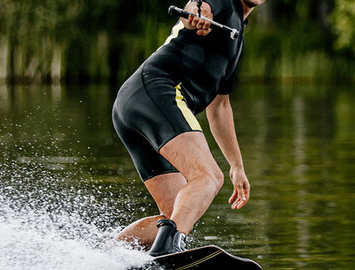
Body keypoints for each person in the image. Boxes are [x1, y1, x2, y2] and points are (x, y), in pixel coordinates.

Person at [112, 0, 265, 256]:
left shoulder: (237, 36)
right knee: (208, 177)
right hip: (156, 92)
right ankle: (165, 252)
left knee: (175, 216)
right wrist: (197, 15)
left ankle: (104, 261)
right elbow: (197, 6)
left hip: (134, 103)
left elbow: (220, 108)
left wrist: (237, 166)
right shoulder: (224, 3)